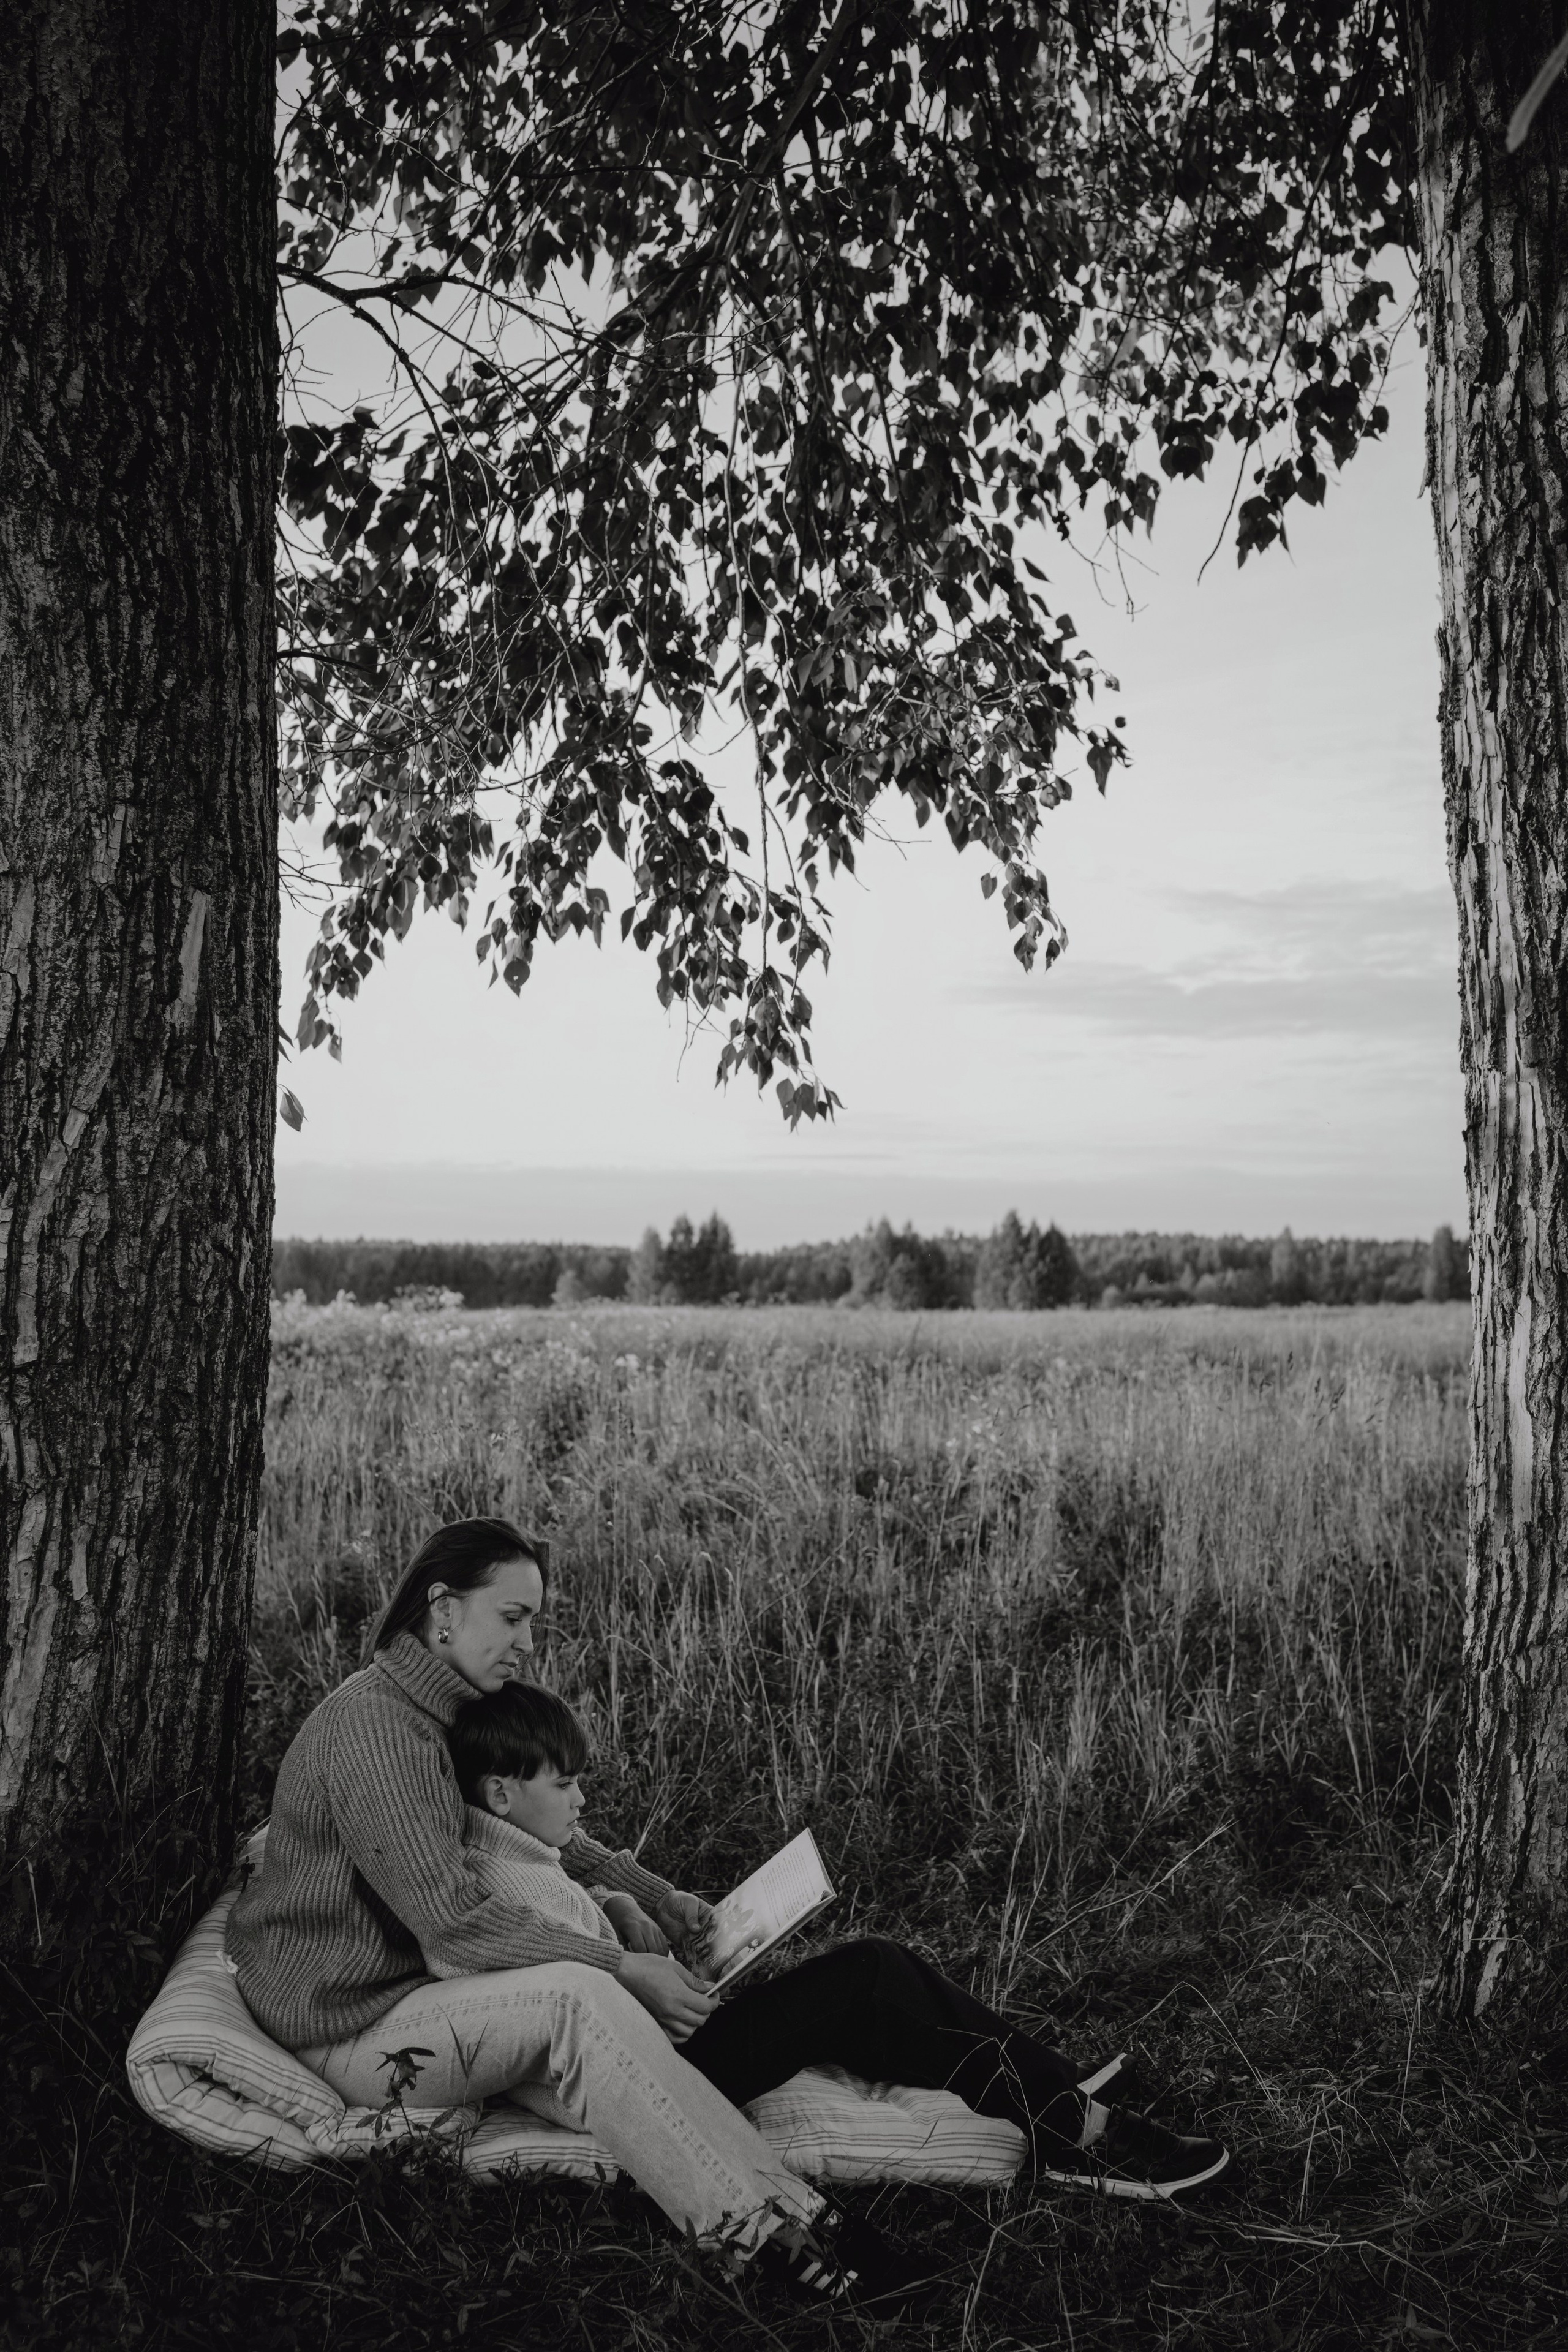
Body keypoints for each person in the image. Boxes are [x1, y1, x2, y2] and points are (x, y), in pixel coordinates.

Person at [447, 1676, 1231, 2211]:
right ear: (501, 1792)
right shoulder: (508, 1884)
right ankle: (1077, 2134)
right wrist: (652, 1966)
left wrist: (619, 1899)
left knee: (876, 1997)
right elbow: (572, 2014)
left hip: (657, 2051)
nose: (582, 1799)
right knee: (870, 1973)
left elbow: (572, 1924)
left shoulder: (516, 1856)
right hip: (656, 2080)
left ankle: (1052, 2091)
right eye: (565, 1784)